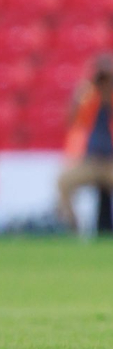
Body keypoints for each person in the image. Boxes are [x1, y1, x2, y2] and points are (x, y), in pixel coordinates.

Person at [57, 56, 113, 232]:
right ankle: (73, 228)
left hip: (110, 162)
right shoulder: (89, 99)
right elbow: (71, 120)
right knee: (63, 182)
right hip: (91, 162)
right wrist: (83, 90)